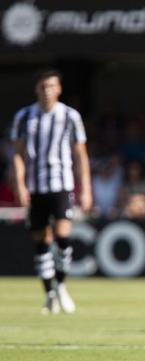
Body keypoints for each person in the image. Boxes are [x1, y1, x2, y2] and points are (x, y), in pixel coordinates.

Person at [10, 69, 92, 314]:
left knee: (63, 235)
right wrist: (19, 183)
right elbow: (17, 153)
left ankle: (61, 285)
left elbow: (80, 155)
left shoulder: (69, 116)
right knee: (41, 240)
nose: (47, 90)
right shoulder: (24, 116)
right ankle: (48, 292)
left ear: (59, 89)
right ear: (37, 89)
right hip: (36, 187)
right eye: (43, 86)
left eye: (51, 86)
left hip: (62, 184)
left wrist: (86, 189)